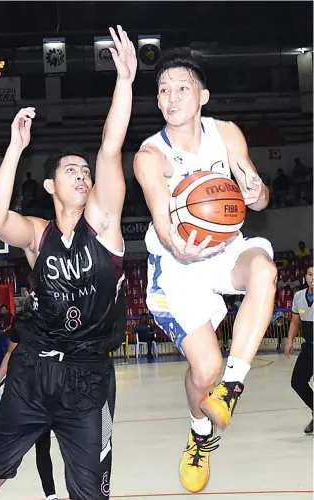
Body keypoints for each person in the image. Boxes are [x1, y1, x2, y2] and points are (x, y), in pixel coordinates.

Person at [0, 25, 137, 500]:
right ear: (51, 186)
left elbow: (109, 147)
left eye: (85, 171)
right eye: (70, 170)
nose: (82, 175)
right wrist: (16, 148)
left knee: (88, 495)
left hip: (88, 379)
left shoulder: (103, 225)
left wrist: (124, 82)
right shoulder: (38, 236)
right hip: (32, 372)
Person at [134, 48, 277, 493]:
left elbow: (257, 196)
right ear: (157, 102)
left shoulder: (227, 134)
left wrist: (255, 192)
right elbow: (161, 217)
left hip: (225, 249)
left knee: (266, 272)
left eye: (181, 88)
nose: (171, 97)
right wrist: (180, 244)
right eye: (163, 90)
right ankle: (199, 438)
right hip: (177, 266)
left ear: (203, 96)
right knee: (205, 368)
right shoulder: (149, 155)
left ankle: (232, 388)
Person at [0, 278, 58, 500]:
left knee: (57, 444)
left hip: (54, 388)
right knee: (39, 444)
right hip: (28, 390)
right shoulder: (23, 320)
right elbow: (10, 355)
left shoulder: (58, 317)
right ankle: (50, 495)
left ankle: (58, 493)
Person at [285, 265, 313, 435]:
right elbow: (296, 321)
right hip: (309, 347)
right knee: (297, 382)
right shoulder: (299, 297)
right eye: (310, 274)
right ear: (306, 276)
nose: (313, 278)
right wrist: (290, 340)